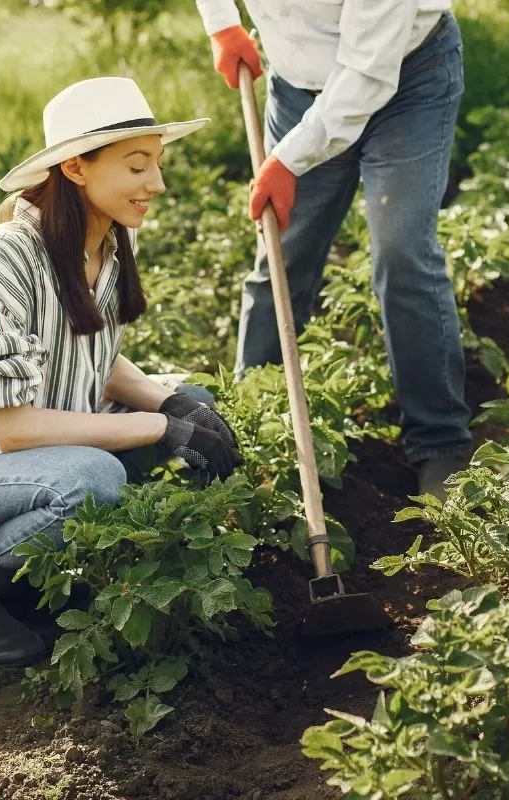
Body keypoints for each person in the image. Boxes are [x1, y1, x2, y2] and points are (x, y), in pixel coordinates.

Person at [0, 77, 241, 669]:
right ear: (75, 168)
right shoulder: (7, 257)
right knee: (91, 477)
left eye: (157, 164)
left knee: (190, 397)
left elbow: (87, 353)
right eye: (137, 166)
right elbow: (14, 430)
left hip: (22, 451)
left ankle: (42, 571)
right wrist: (156, 429)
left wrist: (166, 403)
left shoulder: (108, 243)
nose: (158, 183)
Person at [196, 0, 473, 498]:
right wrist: (222, 24)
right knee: (282, 255)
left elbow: (368, 73)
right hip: (298, 85)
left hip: (409, 80)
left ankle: (440, 442)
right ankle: (246, 429)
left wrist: (287, 161)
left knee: (403, 252)